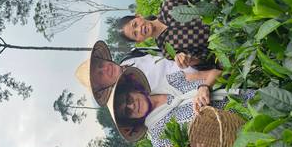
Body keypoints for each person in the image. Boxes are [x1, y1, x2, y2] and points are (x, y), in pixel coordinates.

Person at [106, 67, 255, 147]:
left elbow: (215, 72)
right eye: (127, 112)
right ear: (132, 121)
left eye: (128, 99)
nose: (132, 106)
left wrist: (205, 87)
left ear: (133, 89)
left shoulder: (171, 81)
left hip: (248, 99)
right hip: (242, 136)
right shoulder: (158, 134)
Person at [75, 40, 218, 107]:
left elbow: (165, 53)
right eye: (100, 75)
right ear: (103, 86)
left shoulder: (132, 55)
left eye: (100, 65)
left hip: (202, 58)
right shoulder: (131, 94)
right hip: (206, 88)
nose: (105, 69)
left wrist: (186, 57)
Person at [117, 0, 216, 70]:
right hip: (224, 38)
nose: (139, 29)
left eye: (135, 24)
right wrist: (189, 60)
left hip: (224, 10)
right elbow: (207, 61)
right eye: (135, 34)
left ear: (138, 16)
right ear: (139, 41)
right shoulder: (168, 51)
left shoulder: (169, 4)